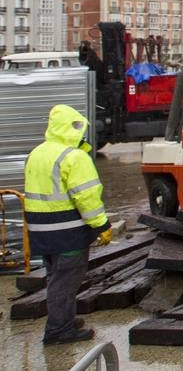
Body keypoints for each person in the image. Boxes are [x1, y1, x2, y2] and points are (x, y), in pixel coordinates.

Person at [23, 104, 111, 345]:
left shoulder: (37, 153)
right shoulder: (73, 157)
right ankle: (58, 330)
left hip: (42, 232)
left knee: (55, 277)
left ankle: (64, 319)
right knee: (66, 281)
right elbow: (86, 197)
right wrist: (102, 225)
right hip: (67, 232)